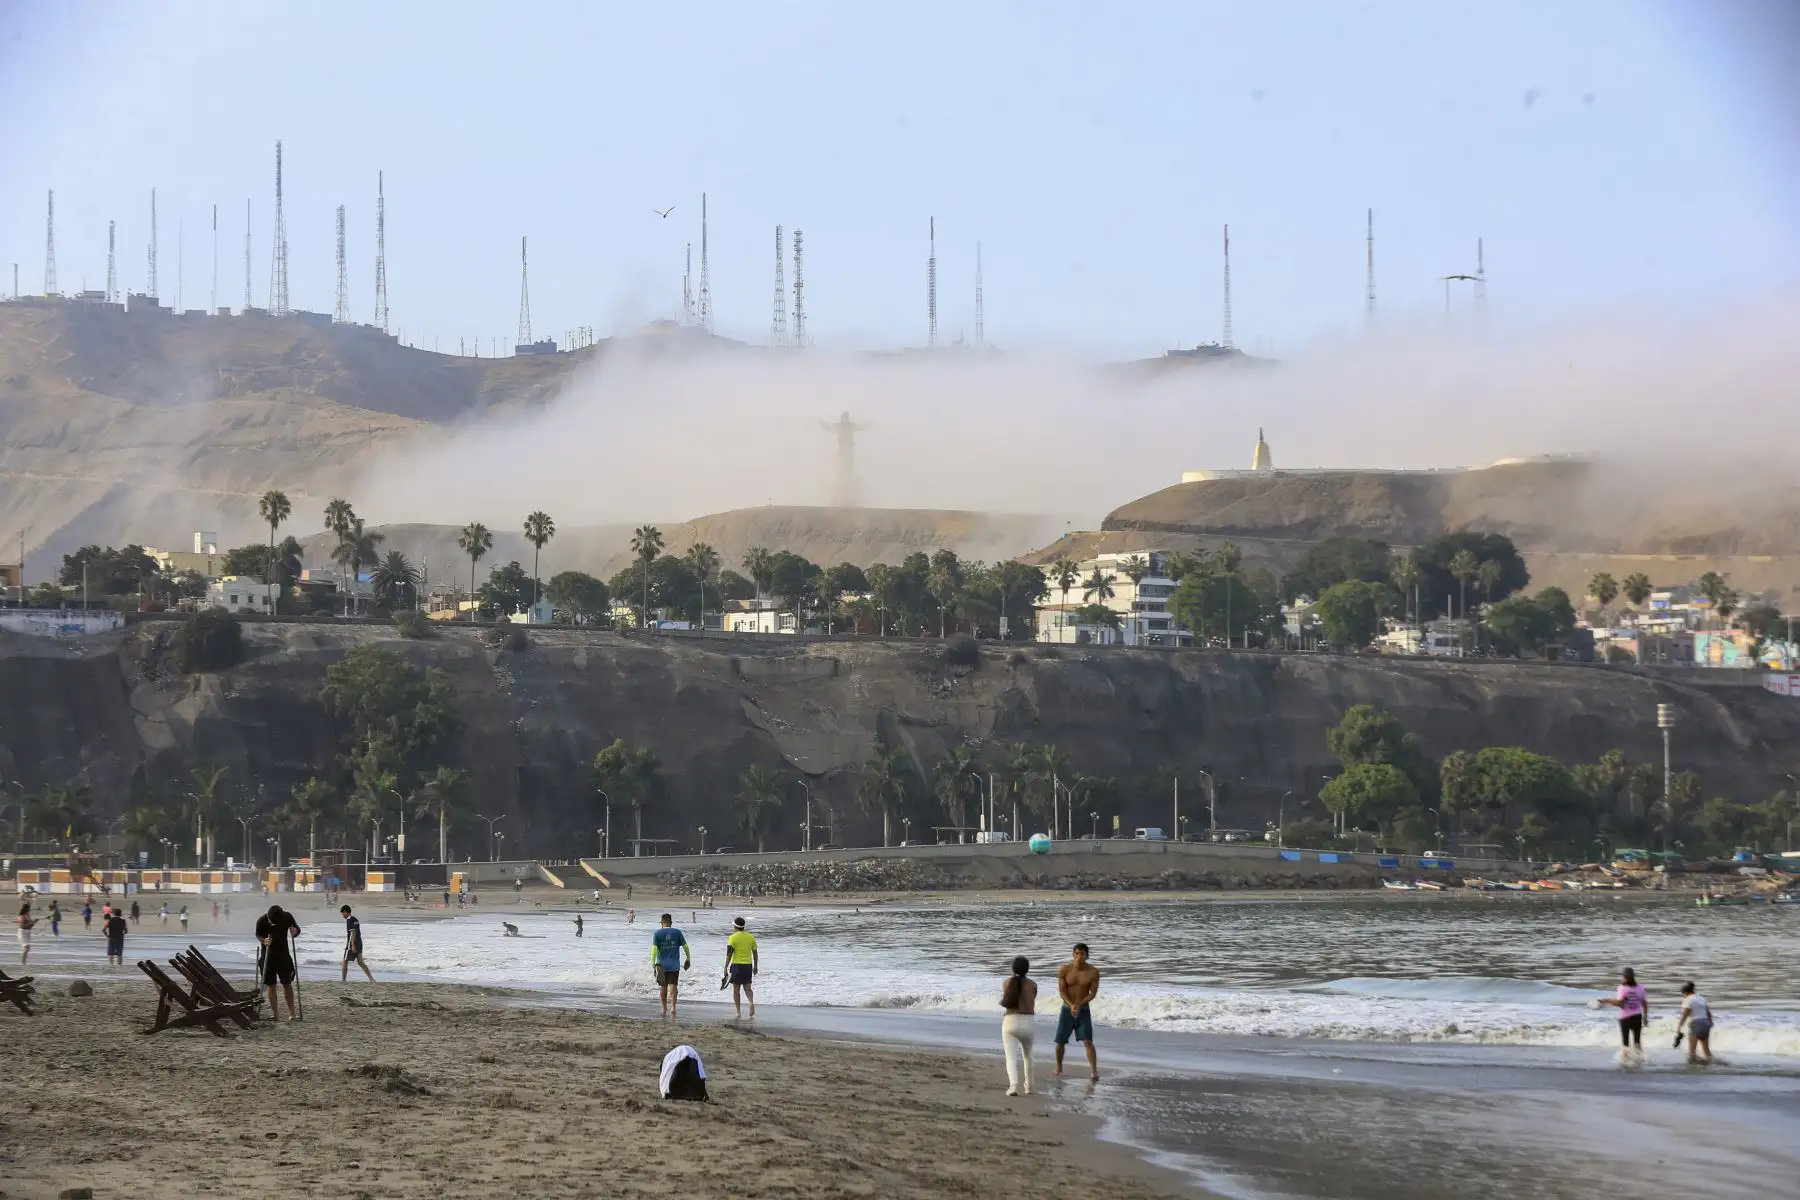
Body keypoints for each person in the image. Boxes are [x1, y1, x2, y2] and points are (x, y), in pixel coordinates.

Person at [1054, 942, 1101, 1081]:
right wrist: (1071, 1004)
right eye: (1076, 954)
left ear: (1087, 956)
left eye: (1082, 954)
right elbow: (1062, 991)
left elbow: (1092, 993)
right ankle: (1058, 1067)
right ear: (1073, 954)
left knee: (1088, 1041)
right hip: (1066, 1009)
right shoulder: (1064, 970)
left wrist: (1079, 1004)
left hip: (1083, 1010)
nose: (1079, 957)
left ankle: (1093, 1071)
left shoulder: (1093, 972)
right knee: (1060, 1041)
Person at [255, 904, 303, 1021]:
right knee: (271, 985)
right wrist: (264, 940)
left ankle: (292, 1013)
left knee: (287, 983)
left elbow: (297, 930)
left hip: (283, 956)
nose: (273, 923)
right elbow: (258, 934)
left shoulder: (287, 917)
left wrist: (294, 931)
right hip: (267, 956)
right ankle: (275, 1014)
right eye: (272, 922)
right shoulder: (262, 921)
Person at [1000, 956, 1038, 1097]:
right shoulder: (1033, 984)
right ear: (1028, 969)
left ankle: (1013, 1086)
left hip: (1010, 1020)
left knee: (1011, 1057)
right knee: (1028, 1056)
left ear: (1012, 968)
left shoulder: (1006, 983)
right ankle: (1028, 1087)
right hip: (1028, 1021)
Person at [1599, 966, 1649, 1060]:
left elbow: (1619, 1003)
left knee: (1625, 1043)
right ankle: (1640, 1060)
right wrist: (1645, 1017)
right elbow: (1644, 1003)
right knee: (1637, 1042)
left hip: (1625, 1018)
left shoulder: (1622, 988)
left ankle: (1625, 1062)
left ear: (1625, 977)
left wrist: (1606, 1000)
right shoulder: (1641, 988)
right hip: (1637, 1017)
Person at [652, 913, 692, 1018]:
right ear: (671, 922)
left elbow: (654, 949)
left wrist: (653, 963)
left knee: (663, 987)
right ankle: (673, 1008)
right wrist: (688, 958)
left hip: (661, 965)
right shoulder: (677, 932)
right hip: (674, 965)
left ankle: (664, 1007)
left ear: (661, 923)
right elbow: (686, 946)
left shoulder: (657, 934)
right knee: (673, 986)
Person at [723, 916, 758, 1018]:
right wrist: (755, 966)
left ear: (735, 926)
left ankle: (738, 1012)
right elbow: (755, 953)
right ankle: (751, 1002)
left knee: (736, 990)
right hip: (748, 965)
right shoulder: (751, 937)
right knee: (747, 988)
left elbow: (729, 954)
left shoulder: (732, 937)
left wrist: (725, 967)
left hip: (737, 966)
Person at [1678, 981, 1714, 1065]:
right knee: (1706, 1051)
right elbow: (1708, 1012)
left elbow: (1685, 1014)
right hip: (1705, 1023)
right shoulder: (1702, 998)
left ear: (1685, 992)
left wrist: (1679, 1027)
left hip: (1696, 1024)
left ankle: (1696, 1069)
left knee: (1691, 1054)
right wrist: (1710, 1023)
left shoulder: (1688, 999)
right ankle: (1712, 1064)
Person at [340, 905, 374, 982]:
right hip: (359, 942)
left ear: (345, 912)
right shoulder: (355, 919)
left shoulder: (350, 920)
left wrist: (352, 945)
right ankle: (371, 979)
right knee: (360, 962)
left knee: (344, 961)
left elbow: (353, 932)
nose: (342, 915)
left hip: (352, 943)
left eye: (342, 913)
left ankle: (343, 980)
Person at [15, 901, 34, 965]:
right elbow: (23, 926)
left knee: (27, 948)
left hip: (28, 932)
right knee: (26, 948)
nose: (29, 909)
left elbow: (31, 925)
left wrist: (34, 922)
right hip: (22, 933)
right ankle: (23, 962)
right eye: (29, 908)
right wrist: (32, 923)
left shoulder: (28, 915)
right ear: (26, 909)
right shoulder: (22, 916)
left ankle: (24, 961)